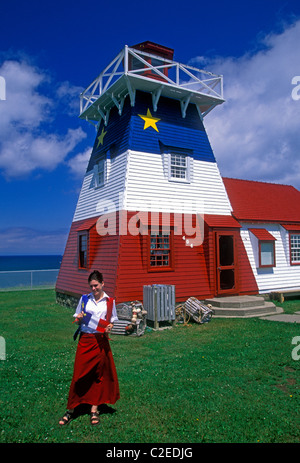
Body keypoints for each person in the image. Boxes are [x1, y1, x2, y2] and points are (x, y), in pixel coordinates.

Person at [59, 270, 120, 426]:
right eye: (91, 286)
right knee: (79, 374)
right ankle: (71, 409)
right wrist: (79, 319)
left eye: (96, 285)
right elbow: (79, 320)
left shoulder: (110, 302)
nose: (94, 289)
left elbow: (111, 322)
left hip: (100, 342)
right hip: (86, 340)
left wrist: (109, 328)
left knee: (98, 375)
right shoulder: (84, 299)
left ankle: (94, 409)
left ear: (102, 284)